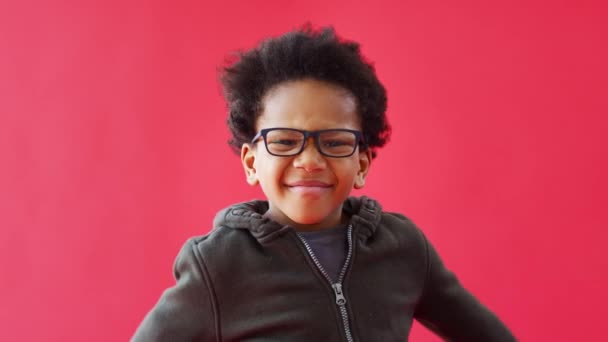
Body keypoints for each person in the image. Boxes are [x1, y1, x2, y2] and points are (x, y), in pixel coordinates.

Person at [132, 25, 516, 341]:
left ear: (362, 162)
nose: (310, 161)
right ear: (251, 162)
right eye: (284, 141)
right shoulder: (217, 265)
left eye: (334, 143)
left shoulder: (404, 248)